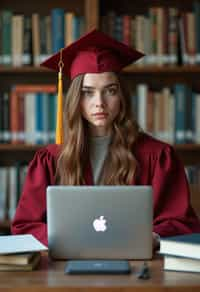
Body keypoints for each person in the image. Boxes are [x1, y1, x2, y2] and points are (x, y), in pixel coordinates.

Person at [11, 29, 200, 248]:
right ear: (75, 99)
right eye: (87, 92)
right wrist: (64, 238)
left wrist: (154, 237)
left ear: (121, 96)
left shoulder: (158, 157)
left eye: (109, 90)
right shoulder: (50, 159)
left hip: (137, 267)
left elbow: (181, 222)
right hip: (65, 269)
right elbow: (25, 226)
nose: (99, 102)